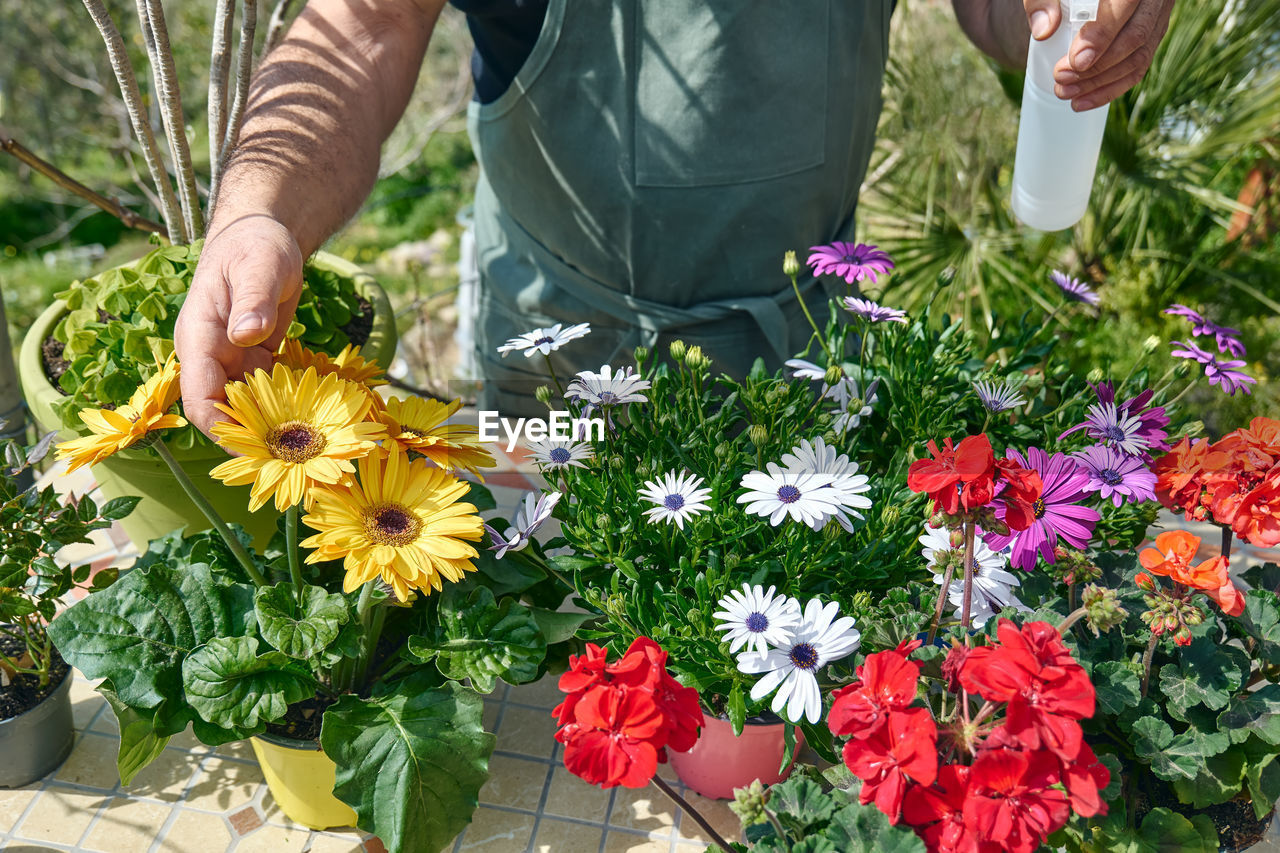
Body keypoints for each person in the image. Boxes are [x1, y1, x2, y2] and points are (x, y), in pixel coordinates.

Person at [174, 0, 1174, 435]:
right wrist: (256, 214)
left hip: (801, 340)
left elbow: (1004, 8)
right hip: (558, 351)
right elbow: (363, 25)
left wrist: (1071, 22)